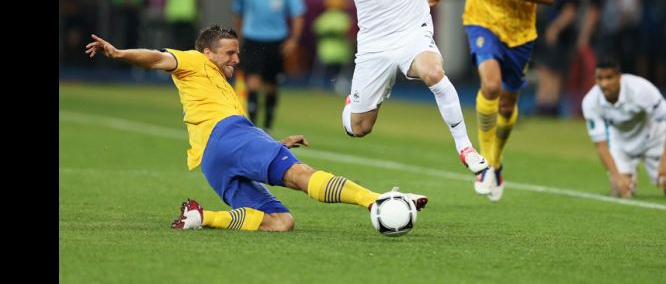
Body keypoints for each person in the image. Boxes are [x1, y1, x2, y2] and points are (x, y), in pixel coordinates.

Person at [85, 25, 427, 232]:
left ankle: (203, 217)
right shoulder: (194, 60)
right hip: (229, 137)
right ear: (207, 51)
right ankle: (378, 201)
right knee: (301, 175)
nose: (236, 59)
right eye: (229, 53)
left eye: (237, 53)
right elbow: (158, 57)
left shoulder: (221, 88)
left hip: (212, 160)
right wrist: (118, 53)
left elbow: (229, 132)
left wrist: (273, 143)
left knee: (281, 222)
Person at [321, 0, 488, 176]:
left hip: (413, 32)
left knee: (434, 72)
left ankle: (466, 148)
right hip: (374, 43)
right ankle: (353, 103)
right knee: (359, 128)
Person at [425, 0, 555, 201]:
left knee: (508, 102)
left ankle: (496, 158)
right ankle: (486, 165)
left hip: (519, 31)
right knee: (491, 86)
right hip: (480, 21)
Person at [581, 57, 666, 199]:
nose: (604, 84)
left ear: (619, 77)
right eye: (600, 78)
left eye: (609, 78)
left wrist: (665, 158)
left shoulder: (640, 89)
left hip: (653, 139)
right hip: (622, 144)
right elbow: (601, 146)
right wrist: (617, 177)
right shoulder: (590, 102)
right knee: (620, 191)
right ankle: (629, 178)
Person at [232, 0, 306, 131]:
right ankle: (253, 127)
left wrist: (294, 39)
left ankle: (268, 125)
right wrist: (237, 38)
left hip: (276, 40)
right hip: (252, 38)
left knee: (271, 85)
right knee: (253, 82)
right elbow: (238, 11)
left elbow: (297, 12)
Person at [312, 0, 354, 92]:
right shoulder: (345, 18)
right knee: (345, 71)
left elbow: (315, 32)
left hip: (324, 53)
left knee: (320, 72)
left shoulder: (323, 17)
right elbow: (350, 36)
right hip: (342, 53)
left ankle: (317, 87)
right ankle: (342, 87)